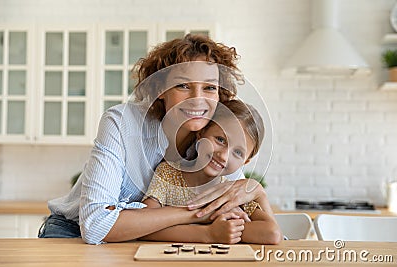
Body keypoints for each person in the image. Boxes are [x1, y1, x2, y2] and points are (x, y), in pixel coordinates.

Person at [38, 34, 270, 245]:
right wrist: (196, 213)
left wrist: (256, 190)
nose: (197, 100)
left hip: (141, 240)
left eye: (209, 88)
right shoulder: (121, 123)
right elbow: (96, 226)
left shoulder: (215, 138)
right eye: (183, 86)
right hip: (71, 234)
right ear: (160, 88)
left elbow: (244, 205)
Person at [141, 100, 282, 244]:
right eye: (220, 140)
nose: (224, 156)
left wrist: (260, 194)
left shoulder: (233, 193)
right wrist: (209, 233)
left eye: (238, 152)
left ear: (245, 162)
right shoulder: (169, 174)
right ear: (201, 133)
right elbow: (142, 225)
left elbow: (272, 234)